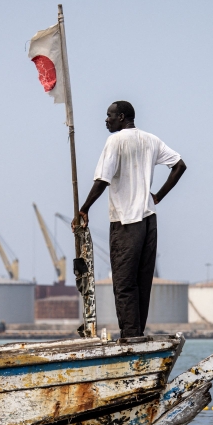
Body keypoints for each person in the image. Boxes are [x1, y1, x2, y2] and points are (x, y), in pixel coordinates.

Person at [75, 101, 187, 340]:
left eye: (109, 116)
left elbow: (102, 179)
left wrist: (84, 208)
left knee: (124, 282)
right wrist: (157, 196)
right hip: (149, 220)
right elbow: (179, 165)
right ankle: (137, 333)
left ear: (122, 117)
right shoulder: (151, 140)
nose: (106, 120)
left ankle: (130, 335)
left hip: (126, 221)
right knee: (142, 281)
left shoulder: (115, 141)